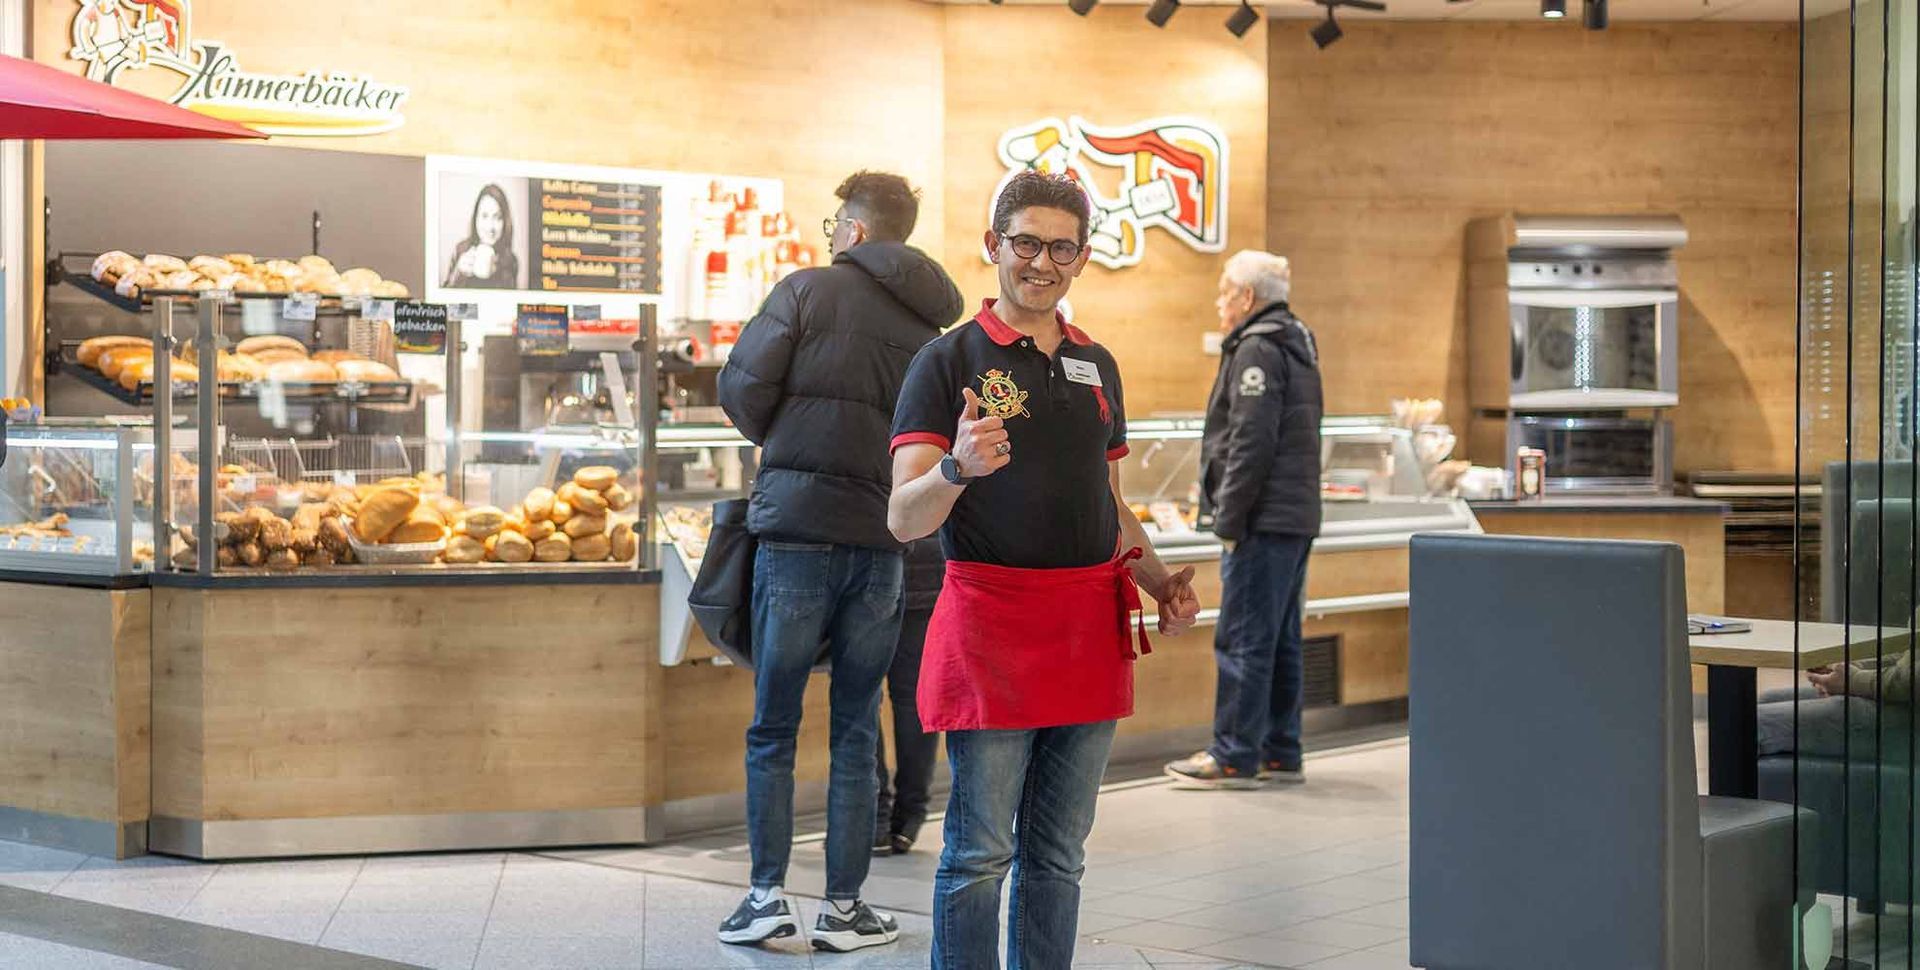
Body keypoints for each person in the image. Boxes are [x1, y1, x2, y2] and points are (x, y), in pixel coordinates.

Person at [888, 170, 1201, 969]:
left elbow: (1110, 502)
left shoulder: (1099, 365)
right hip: (992, 625)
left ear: (1081, 257)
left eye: (1062, 247)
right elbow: (903, 518)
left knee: (1059, 856)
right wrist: (956, 469)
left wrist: (1158, 579)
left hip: (1085, 631)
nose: (1042, 262)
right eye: (1026, 242)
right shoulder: (945, 360)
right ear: (994, 245)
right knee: (979, 854)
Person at [715, 171, 963, 953]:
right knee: (858, 726)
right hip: (885, 541)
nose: (828, 234)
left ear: (855, 230)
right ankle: (845, 909)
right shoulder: (937, 328)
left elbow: (742, 390)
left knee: (774, 724)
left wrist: (790, 442)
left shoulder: (806, 291)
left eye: (833, 222)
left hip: (796, 534)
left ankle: (764, 899)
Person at [1165, 250, 1324, 790]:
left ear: (1248, 298)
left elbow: (1250, 443)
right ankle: (1280, 749)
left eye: (1224, 291)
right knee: (1279, 638)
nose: (1218, 302)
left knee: (1242, 639)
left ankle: (1233, 755)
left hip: (1262, 518)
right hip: (1295, 515)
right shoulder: (1296, 339)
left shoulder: (1257, 347)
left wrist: (1227, 519)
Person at [873, 536, 944, 856]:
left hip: (866, 568)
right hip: (926, 569)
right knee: (914, 700)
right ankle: (909, 817)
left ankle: (873, 819)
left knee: (859, 701)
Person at [443, 183, 520, 289]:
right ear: (476, 218)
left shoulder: (511, 261)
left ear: (505, 221)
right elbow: (441, 300)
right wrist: (458, 274)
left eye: (498, 218)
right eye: (484, 216)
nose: (490, 227)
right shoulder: (461, 250)